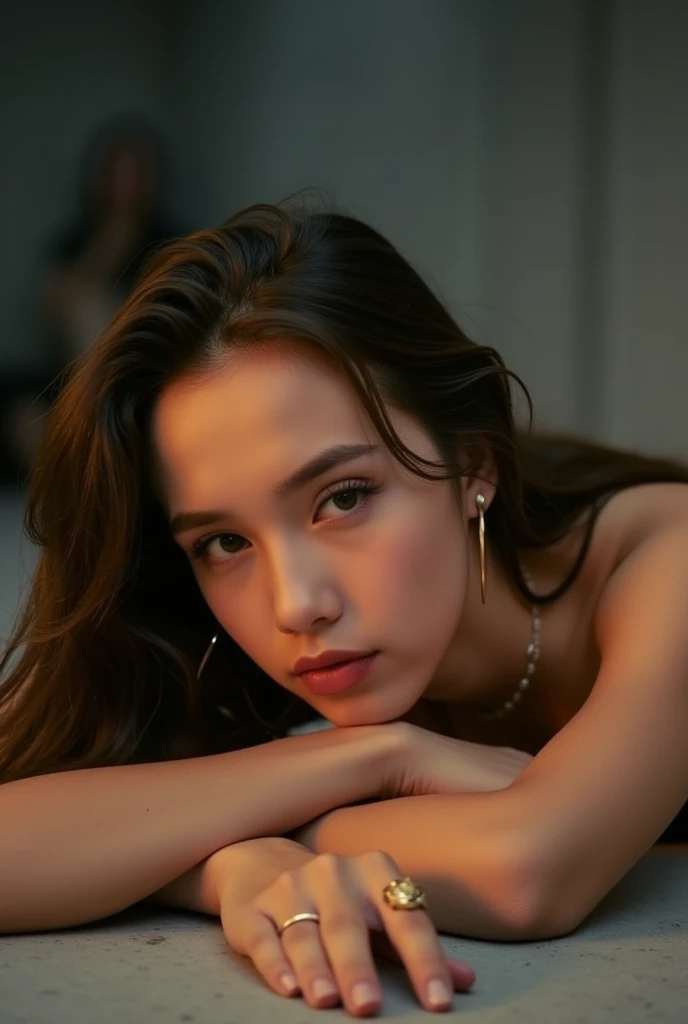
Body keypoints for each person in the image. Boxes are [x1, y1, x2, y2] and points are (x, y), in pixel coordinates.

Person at [1, 196, 687, 1017]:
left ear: (473, 464)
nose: (296, 604)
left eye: (344, 497)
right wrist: (346, 776)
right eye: (223, 542)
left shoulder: (663, 562)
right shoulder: (264, 644)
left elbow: (526, 868)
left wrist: (213, 839)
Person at [0, 114, 182, 484]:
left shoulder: (174, 242)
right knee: (21, 413)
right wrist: (111, 241)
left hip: (141, 384)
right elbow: (54, 305)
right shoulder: (73, 242)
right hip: (73, 387)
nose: (124, 186)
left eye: (134, 174)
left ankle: (101, 458)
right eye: (116, 173)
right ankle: (79, 482)